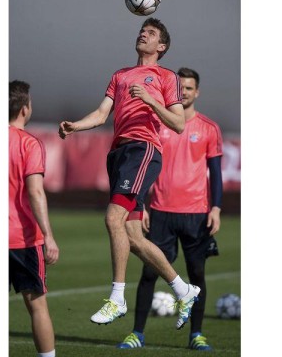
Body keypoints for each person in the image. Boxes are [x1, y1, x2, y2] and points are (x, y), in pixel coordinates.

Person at [58, 18, 201, 331]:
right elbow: (101, 114)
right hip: (119, 154)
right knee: (134, 238)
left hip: (142, 150)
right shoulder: (120, 74)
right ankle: (183, 289)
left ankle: (117, 298)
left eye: (150, 33)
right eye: (142, 30)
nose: (143, 34)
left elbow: (178, 124)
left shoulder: (166, 77)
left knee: (113, 219)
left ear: (161, 46)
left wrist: (151, 99)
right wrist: (75, 126)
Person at [116, 67, 223, 351]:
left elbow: (216, 172)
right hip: (160, 211)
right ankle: (137, 333)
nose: (185, 92)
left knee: (196, 274)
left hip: (196, 213)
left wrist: (216, 208)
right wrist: (143, 204)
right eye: (182, 88)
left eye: (189, 88)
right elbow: (145, 165)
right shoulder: (159, 124)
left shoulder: (209, 128)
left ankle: (196, 335)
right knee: (150, 273)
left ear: (196, 92)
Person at [9, 80, 60, 357]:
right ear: (25, 109)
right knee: (37, 306)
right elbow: (35, 191)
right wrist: (49, 235)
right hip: (23, 239)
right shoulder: (29, 143)